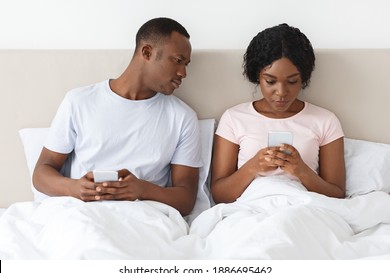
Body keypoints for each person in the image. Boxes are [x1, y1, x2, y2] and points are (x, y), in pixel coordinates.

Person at [32, 17, 202, 216]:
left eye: (186, 64)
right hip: (82, 215)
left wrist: (142, 190)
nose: (183, 73)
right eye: (178, 61)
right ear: (147, 52)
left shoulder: (183, 117)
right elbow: (41, 173)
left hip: (145, 217)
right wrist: (75, 188)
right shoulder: (79, 101)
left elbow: (186, 199)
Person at [211, 23, 346, 203]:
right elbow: (219, 195)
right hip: (250, 211)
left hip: (303, 211)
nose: (281, 92)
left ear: (303, 78)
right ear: (257, 76)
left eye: (292, 81)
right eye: (270, 81)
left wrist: (301, 171)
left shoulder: (325, 120)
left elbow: (337, 194)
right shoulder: (234, 118)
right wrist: (252, 167)